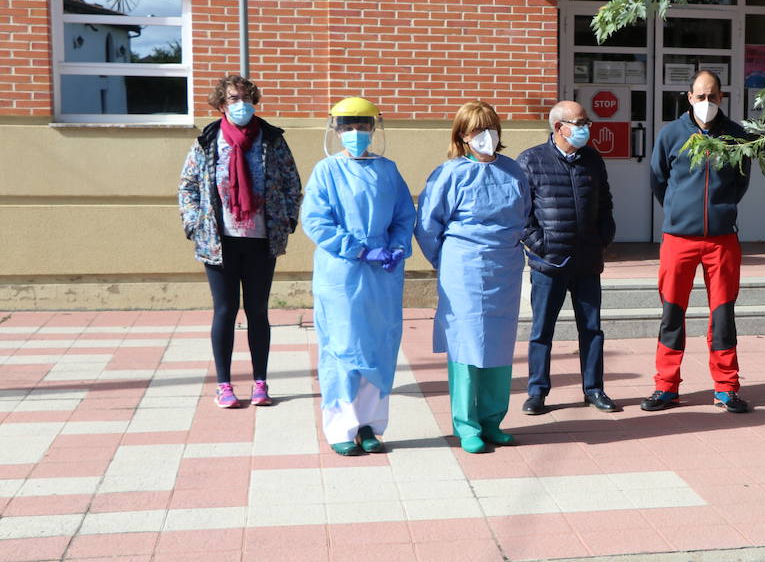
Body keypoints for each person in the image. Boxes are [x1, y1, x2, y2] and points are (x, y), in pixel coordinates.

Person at [178, 74, 302, 409]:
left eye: (246, 98)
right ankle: (224, 384)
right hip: (219, 242)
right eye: (233, 99)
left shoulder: (272, 139)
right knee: (225, 310)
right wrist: (195, 224)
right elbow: (187, 187)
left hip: (261, 240)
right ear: (221, 104)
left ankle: (260, 383)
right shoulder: (207, 140)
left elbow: (292, 182)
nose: (241, 105)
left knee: (258, 311)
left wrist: (288, 219)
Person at [301, 97, 416, 456]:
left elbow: (403, 214)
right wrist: (358, 249)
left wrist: (396, 247)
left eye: (362, 126)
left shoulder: (388, 170)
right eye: (347, 127)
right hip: (342, 274)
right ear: (335, 130)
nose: (355, 133)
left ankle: (369, 425)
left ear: (373, 129)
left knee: (379, 348)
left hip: (382, 276)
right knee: (342, 347)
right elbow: (316, 221)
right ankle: (340, 425)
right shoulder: (326, 171)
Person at [416, 101, 531, 453]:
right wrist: (446, 260)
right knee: (467, 347)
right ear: (463, 136)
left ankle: (492, 420)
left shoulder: (514, 172)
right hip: (462, 269)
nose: (486, 136)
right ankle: (466, 425)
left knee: (498, 345)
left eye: (491, 128)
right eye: (477, 130)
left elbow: (524, 215)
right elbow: (427, 224)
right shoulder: (449, 174)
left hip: (505, 269)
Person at [642, 70, 752, 414]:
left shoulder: (736, 136)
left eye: (713, 96)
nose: (707, 102)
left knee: (723, 316)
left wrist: (721, 211)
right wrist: (679, 212)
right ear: (689, 97)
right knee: (672, 313)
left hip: (721, 240)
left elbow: (741, 182)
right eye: (700, 96)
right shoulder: (671, 134)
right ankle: (665, 386)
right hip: (678, 239)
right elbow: (659, 181)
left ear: (722, 97)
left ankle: (726, 387)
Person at [518, 100, 619, 415]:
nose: (586, 128)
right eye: (580, 122)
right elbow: (521, 215)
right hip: (549, 265)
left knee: (591, 329)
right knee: (542, 331)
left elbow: (605, 204)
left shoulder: (592, 159)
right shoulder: (530, 161)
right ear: (559, 126)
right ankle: (537, 392)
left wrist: (602, 239)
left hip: (587, 262)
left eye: (586, 121)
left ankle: (594, 389)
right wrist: (542, 246)